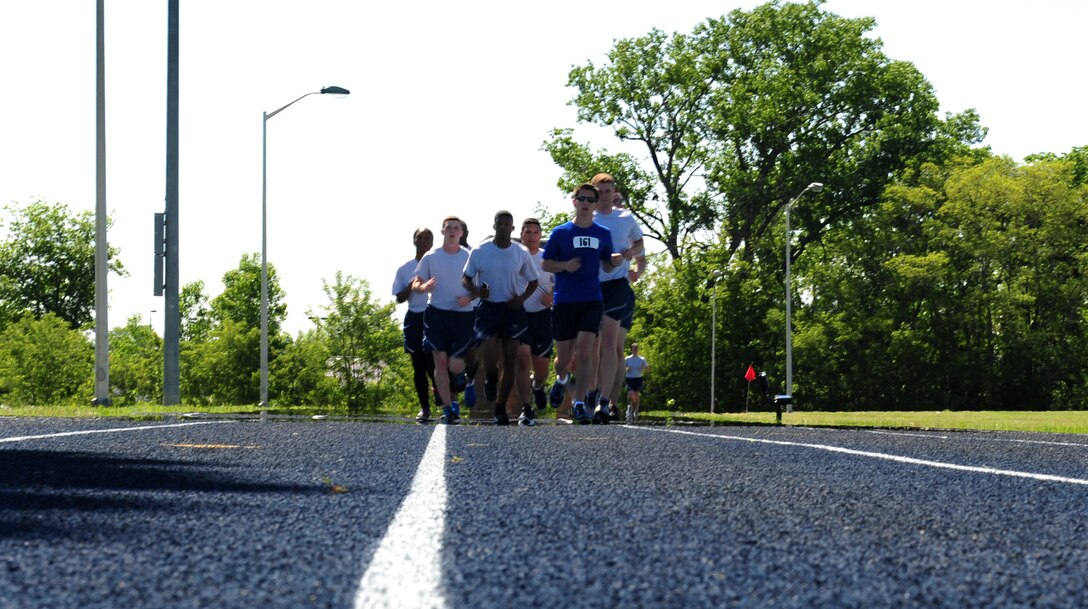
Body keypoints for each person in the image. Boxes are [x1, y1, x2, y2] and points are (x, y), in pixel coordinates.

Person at [543, 184, 621, 424]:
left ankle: (578, 404)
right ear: (574, 201)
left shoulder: (602, 233)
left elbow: (607, 264)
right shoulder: (560, 233)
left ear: (596, 205)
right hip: (565, 300)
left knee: (586, 351)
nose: (586, 202)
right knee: (564, 359)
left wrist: (614, 261)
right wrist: (565, 266)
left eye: (591, 199)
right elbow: (546, 264)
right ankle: (562, 379)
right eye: (582, 198)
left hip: (591, 299)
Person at [462, 210, 539, 425]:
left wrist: (521, 299)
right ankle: (490, 376)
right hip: (488, 309)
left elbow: (533, 281)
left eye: (507, 224)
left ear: (512, 228)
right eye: (500, 223)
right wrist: (477, 291)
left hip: (511, 309)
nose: (504, 227)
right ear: (494, 226)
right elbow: (465, 278)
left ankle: (500, 408)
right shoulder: (480, 251)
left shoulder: (520, 252)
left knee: (511, 359)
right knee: (489, 356)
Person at [590, 173, 645, 422]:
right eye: (599, 191)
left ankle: (609, 401)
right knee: (593, 347)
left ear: (614, 193)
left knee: (612, 345)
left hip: (618, 287)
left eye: (608, 191)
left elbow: (640, 247)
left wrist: (629, 260)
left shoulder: (625, 218)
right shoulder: (586, 217)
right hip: (590, 286)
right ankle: (589, 395)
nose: (604, 196)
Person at [412, 216, 475, 424]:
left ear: (461, 233)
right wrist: (424, 287)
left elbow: (482, 287)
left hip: (462, 315)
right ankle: (448, 408)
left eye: (456, 228)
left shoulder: (469, 256)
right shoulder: (431, 257)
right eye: (448, 227)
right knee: (439, 360)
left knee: (455, 364)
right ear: (442, 231)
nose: (452, 231)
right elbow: (416, 284)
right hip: (436, 313)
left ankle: (460, 376)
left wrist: (471, 297)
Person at [392, 227, 438, 422]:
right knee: (418, 365)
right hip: (414, 317)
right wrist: (411, 285)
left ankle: (444, 401)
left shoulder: (438, 264)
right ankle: (424, 408)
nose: (423, 241)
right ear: (414, 240)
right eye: (420, 237)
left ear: (432, 242)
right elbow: (399, 299)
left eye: (427, 238)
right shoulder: (404, 268)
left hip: (434, 316)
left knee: (433, 365)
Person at [518, 217, 555, 414]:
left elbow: (562, 283)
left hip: (542, 316)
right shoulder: (513, 256)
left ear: (540, 236)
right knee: (522, 360)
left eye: (535, 232)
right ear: (521, 235)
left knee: (541, 371)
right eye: (528, 232)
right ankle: (526, 407)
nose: (532, 236)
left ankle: (538, 386)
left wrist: (552, 295)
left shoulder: (547, 258)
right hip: (519, 316)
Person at [624, 343, 649, 423]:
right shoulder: (627, 359)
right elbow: (622, 368)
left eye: (636, 349)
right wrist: (626, 369)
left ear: (638, 350)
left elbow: (648, 369)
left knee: (636, 395)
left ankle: (635, 411)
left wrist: (644, 367)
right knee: (631, 394)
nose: (635, 350)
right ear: (631, 350)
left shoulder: (642, 359)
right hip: (629, 378)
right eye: (633, 349)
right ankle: (630, 408)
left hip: (638, 378)